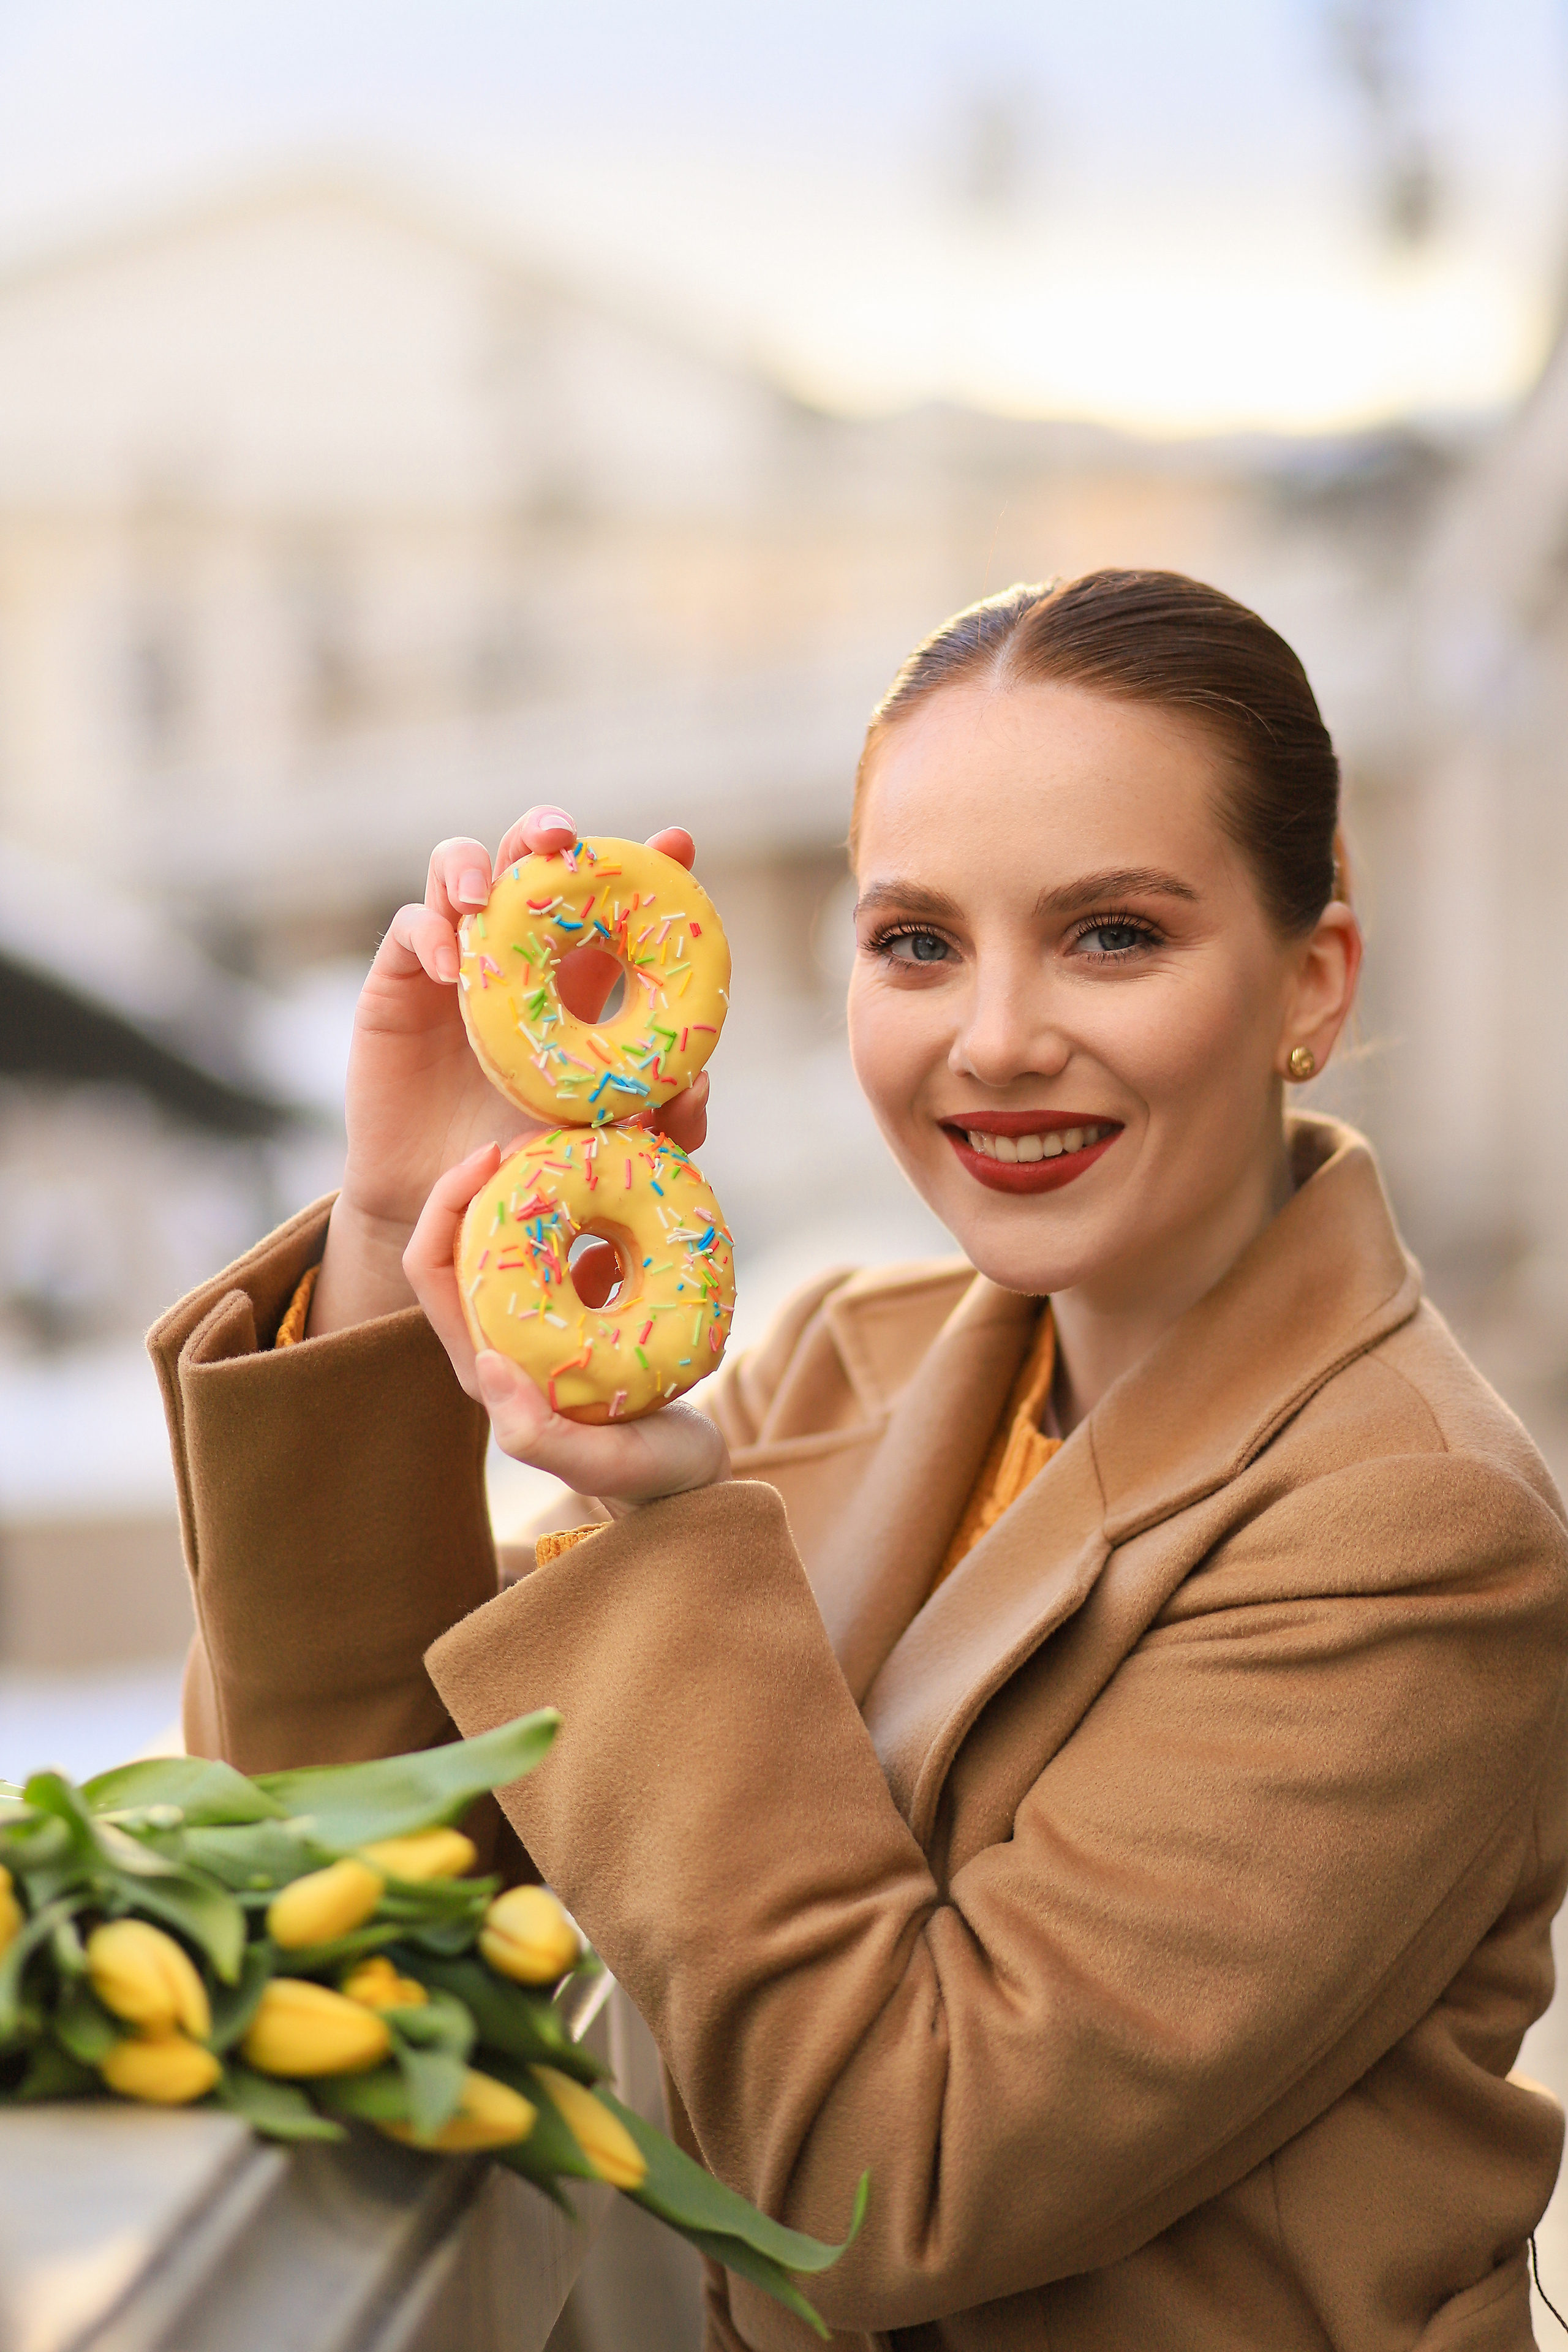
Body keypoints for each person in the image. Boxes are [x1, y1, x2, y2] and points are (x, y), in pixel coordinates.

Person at [151, 571, 1568, 2351]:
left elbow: (886, 2186)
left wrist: (662, 1522)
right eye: (919, 943)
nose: (993, 1038)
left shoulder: (1414, 1530)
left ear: (1312, 982)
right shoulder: (847, 1360)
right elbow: (351, 1865)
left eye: (1112, 933)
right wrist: (391, 1220)